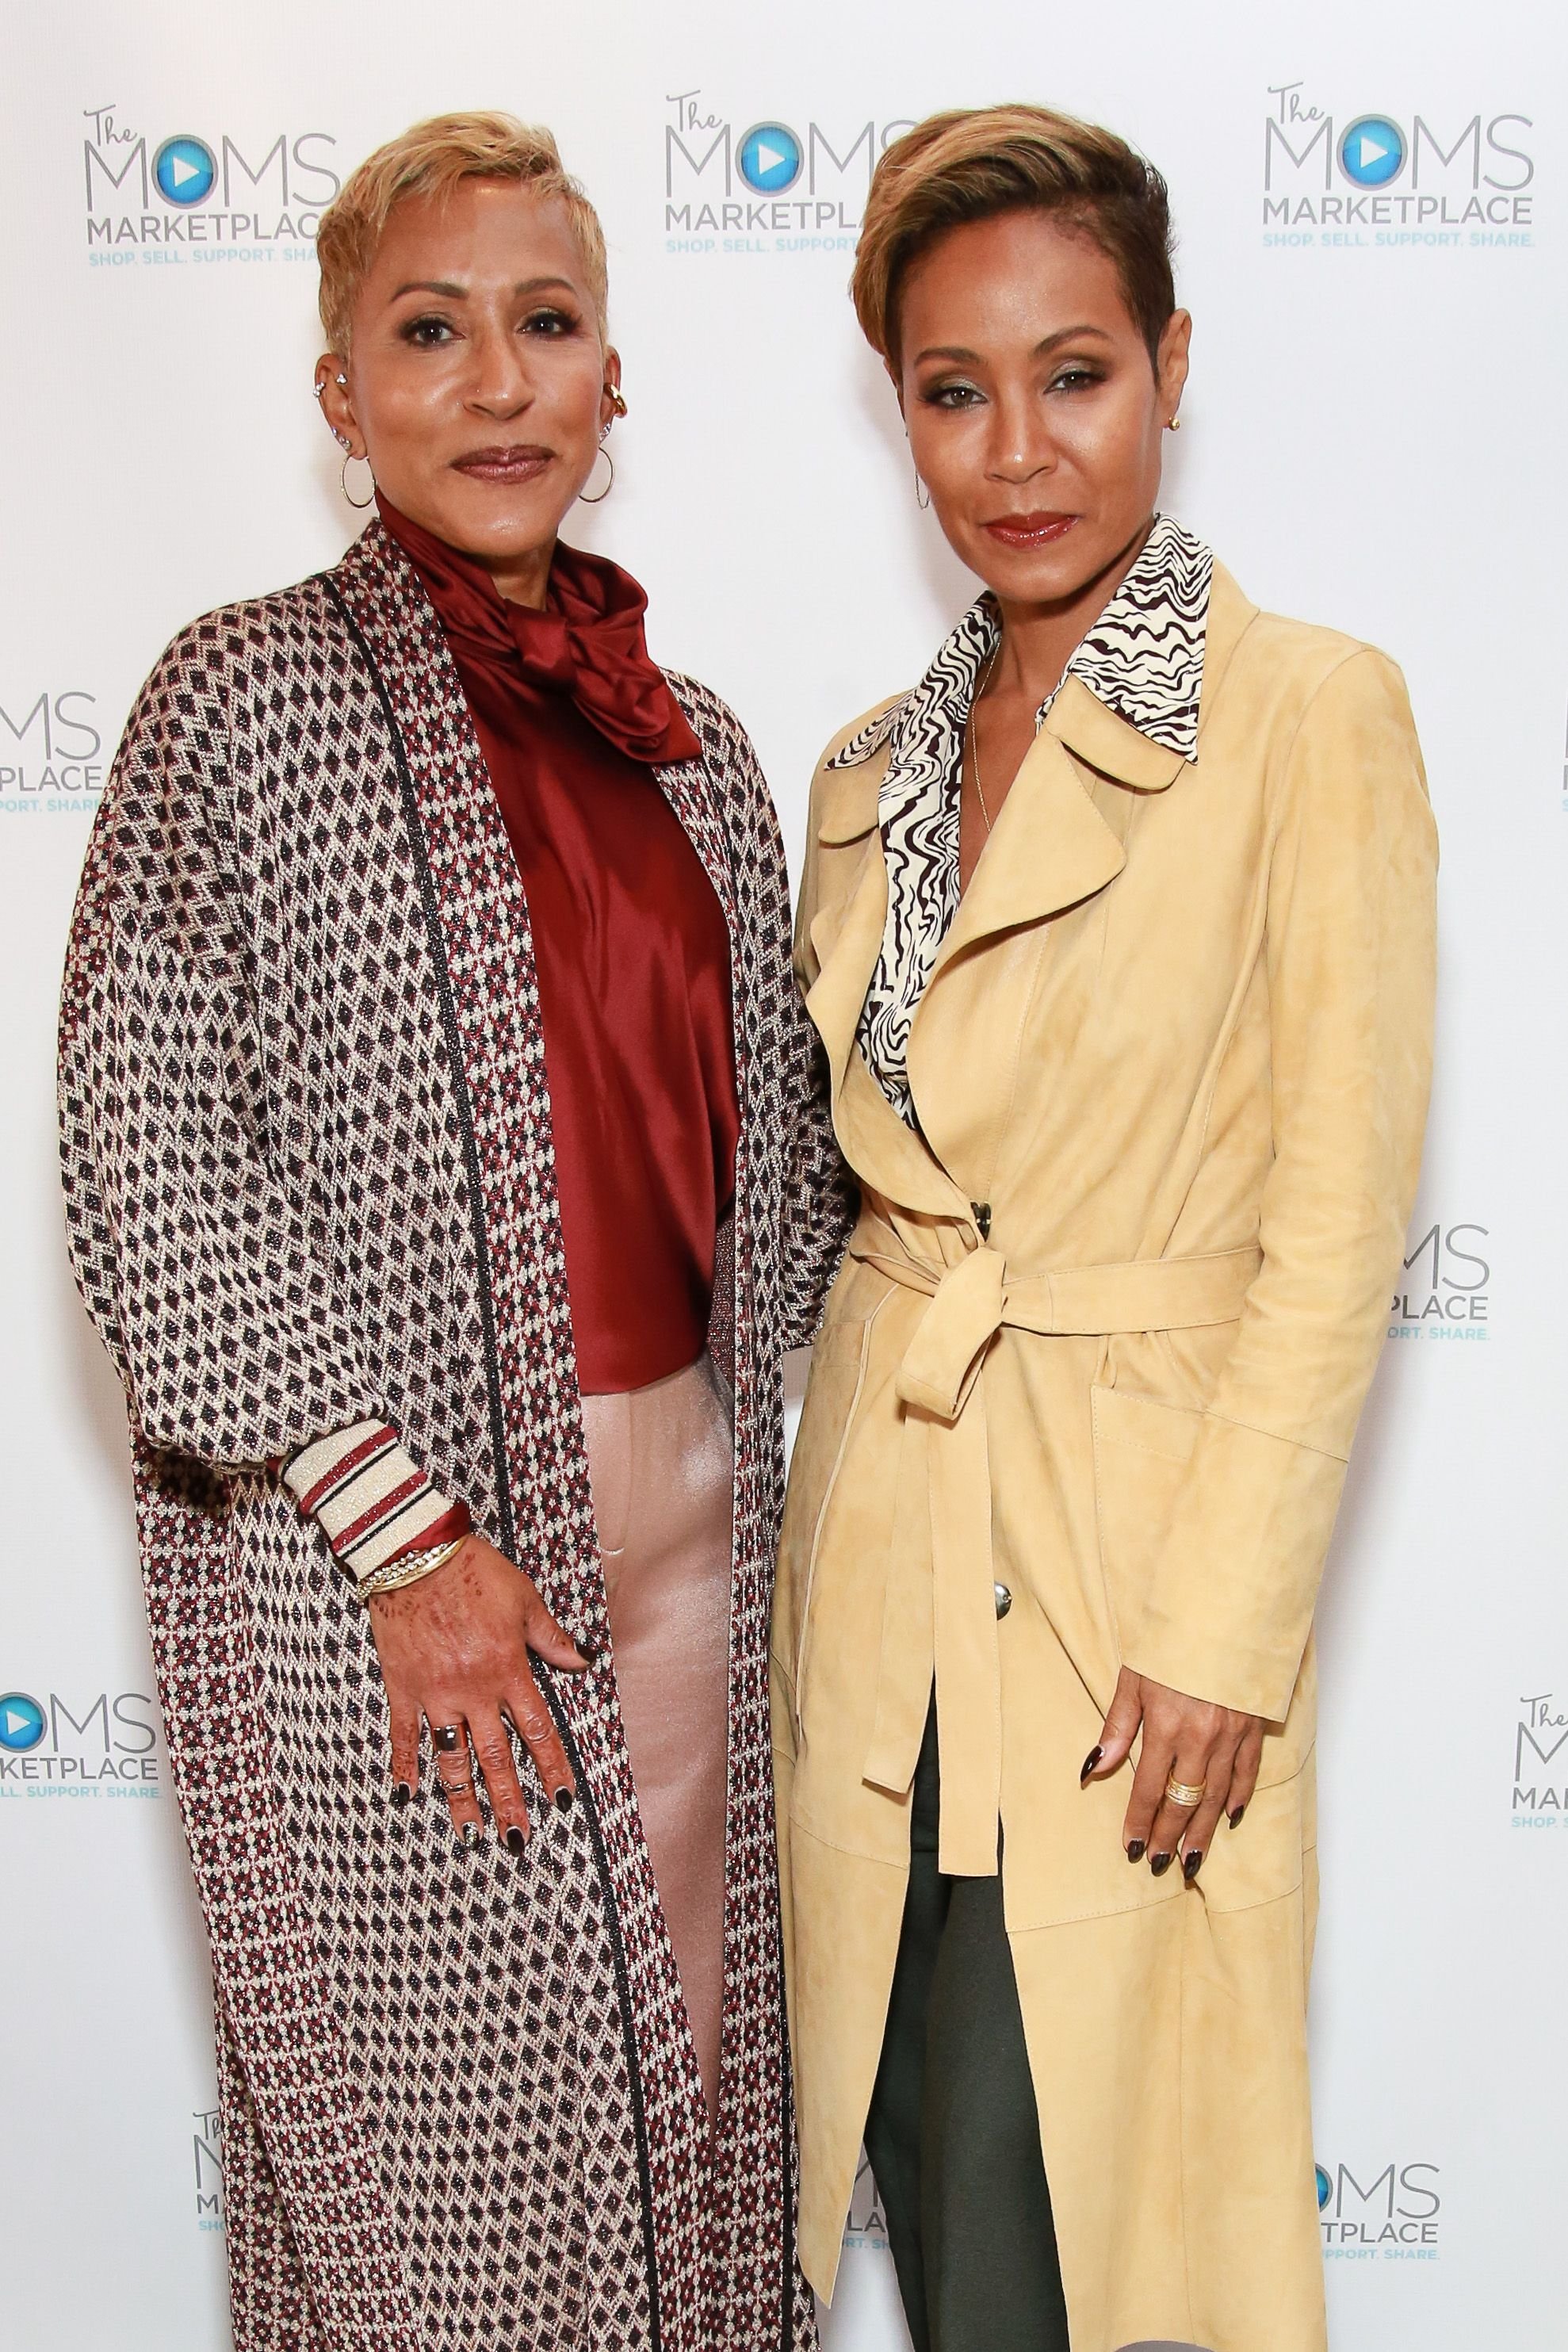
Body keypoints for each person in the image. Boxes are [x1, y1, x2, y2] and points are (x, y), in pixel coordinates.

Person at [59, 112, 847, 2352]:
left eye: (546, 323)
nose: (496, 383)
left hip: (701, 1545)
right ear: (339, 392)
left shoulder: (695, 745)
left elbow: (776, 1173)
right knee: (450, 2173)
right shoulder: (242, 699)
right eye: (429, 331)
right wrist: (406, 1543)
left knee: (687, 2106)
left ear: (615, 379)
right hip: (392, 1569)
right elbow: (147, 1133)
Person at [771, 105, 1437, 2352]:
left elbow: (1336, 1223)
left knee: (1114, 2239)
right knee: (939, 2211)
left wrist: (1227, 1624)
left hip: (1133, 1578)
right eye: (952, 391)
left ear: (1169, 360)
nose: (1016, 448)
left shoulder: (1304, 714)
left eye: (1073, 373)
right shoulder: (865, 763)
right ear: (898, 414)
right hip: (875, 1572)